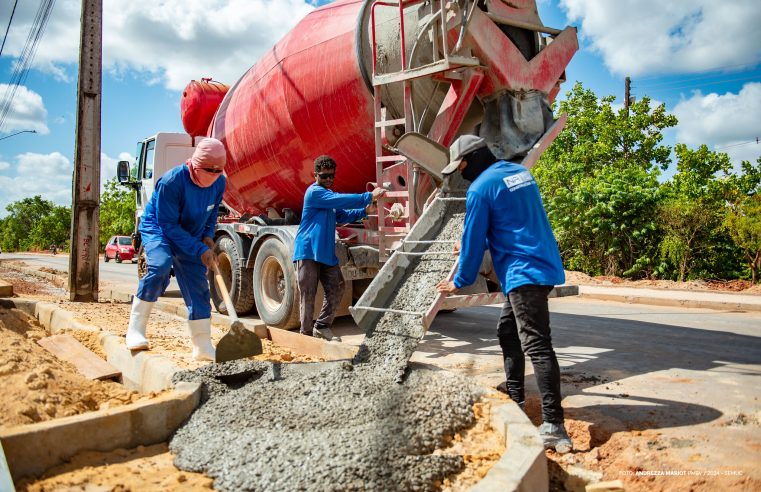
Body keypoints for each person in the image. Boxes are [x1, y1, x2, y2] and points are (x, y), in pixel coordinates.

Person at [435, 135, 572, 453]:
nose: (462, 172)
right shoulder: (518, 173)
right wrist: (472, 240)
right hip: (541, 264)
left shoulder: (480, 188)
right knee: (507, 333)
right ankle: (516, 401)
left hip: (523, 272)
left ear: (475, 158)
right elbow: (510, 222)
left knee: (537, 345)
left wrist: (460, 279)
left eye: (462, 166)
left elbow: (475, 236)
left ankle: (553, 425)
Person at [125, 137, 227, 361]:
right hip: (160, 228)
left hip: (191, 232)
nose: (213, 176)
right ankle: (136, 329)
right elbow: (168, 225)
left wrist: (208, 237)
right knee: (160, 267)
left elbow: (211, 213)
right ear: (195, 164)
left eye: (218, 171)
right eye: (209, 171)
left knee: (198, 285)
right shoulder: (172, 181)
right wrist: (197, 248)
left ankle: (202, 345)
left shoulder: (219, 182)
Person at [293, 155, 385, 341]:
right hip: (308, 251)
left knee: (338, 287)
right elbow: (340, 200)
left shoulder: (329, 197)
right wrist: (368, 197)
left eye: (331, 176)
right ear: (315, 175)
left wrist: (365, 211)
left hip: (325, 251)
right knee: (308, 294)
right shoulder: (315, 193)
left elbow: (342, 216)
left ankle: (322, 325)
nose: (328, 179)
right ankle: (305, 336)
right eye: (324, 176)